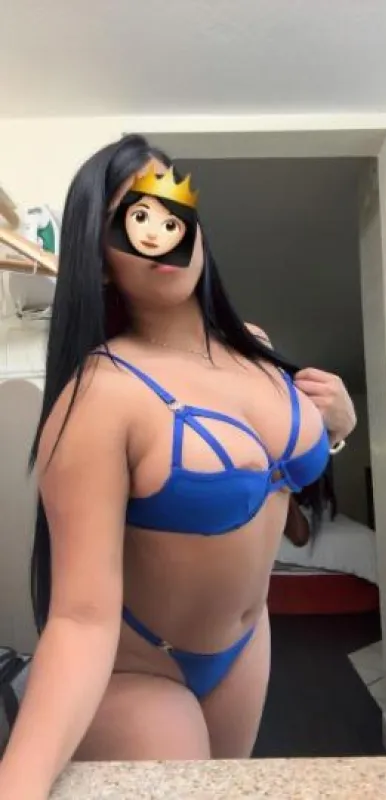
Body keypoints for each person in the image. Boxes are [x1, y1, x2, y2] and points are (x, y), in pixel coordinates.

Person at [0, 134, 355, 798]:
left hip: (247, 643)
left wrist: (339, 428)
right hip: (142, 671)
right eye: (132, 218)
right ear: (99, 262)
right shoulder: (101, 395)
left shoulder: (254, 348)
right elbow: (79, 618)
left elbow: (281, 476)